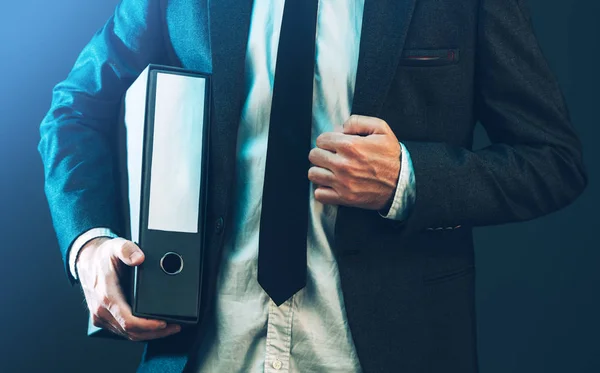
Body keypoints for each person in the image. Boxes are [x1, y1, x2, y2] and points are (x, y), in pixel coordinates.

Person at [38, 0, 587, 372]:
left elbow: (553, 160)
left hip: (388, 347)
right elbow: (75, 110)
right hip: (205, 350)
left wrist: (409, 178)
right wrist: (88, 243)